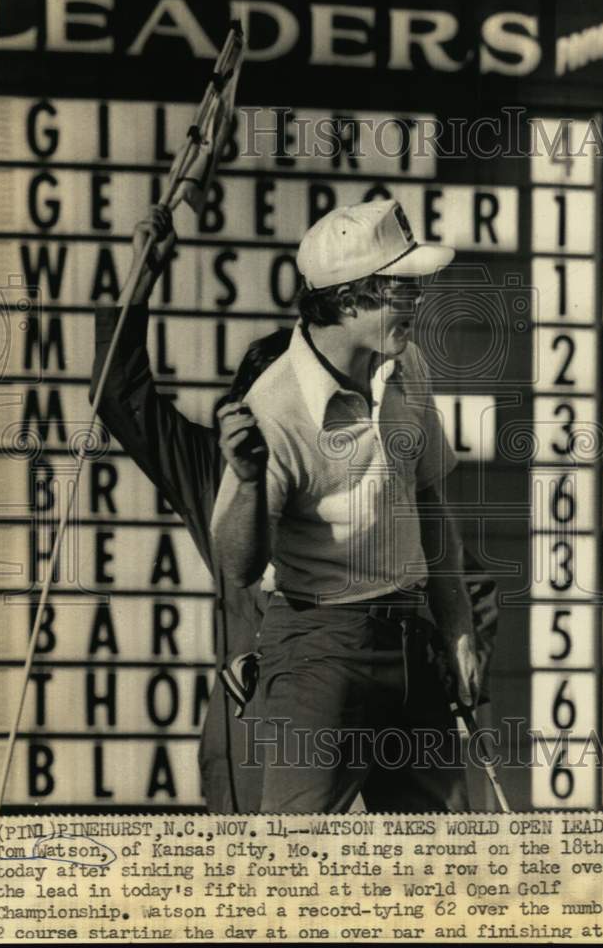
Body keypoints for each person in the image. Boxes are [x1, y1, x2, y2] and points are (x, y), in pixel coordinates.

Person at [210, 199, 482, 813]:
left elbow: (430, 502)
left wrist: (458, 629)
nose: (416, 301)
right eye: (401, 288)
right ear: (350, 296)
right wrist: (250, 484)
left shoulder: (406, 362)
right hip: (319, 651)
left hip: (415, 639)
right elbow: (238, 567)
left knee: (442, 873)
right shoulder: (273, 408)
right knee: (291, 867)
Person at [90, 204, 292, 812]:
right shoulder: (215, 467)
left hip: (346, 730)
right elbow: (121, 396)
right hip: (246, 736)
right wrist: (141, 279)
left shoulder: (368, 467)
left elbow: (463, 584)